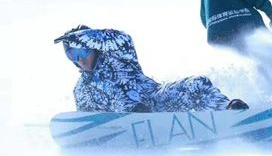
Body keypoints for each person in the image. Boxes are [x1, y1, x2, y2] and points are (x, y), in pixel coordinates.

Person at [54, 25, 249, 112]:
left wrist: (87, 35)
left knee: (196, 84)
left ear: (95, 45)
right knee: (121, 100)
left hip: (156, 99)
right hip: (125, 120)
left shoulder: (118, 55)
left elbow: (123, 39)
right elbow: (89, 124)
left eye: (81, 51)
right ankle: (135, 114)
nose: (79, 60)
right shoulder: (82, 89)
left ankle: (229, 113)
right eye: (71, 55)